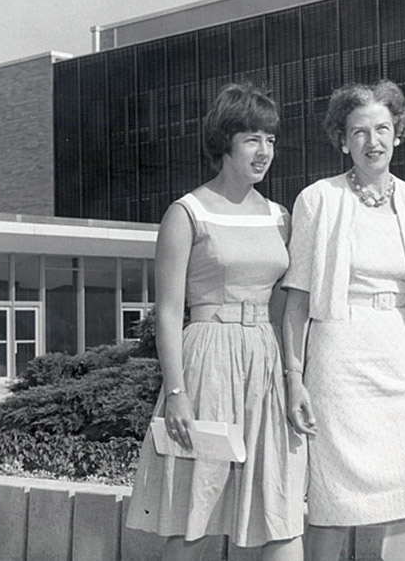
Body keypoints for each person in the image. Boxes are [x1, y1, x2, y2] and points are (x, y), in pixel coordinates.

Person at [126, 82, 306, 561]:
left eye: (270, 139)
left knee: (279, 511)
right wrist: (177, 393)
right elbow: (167, 310)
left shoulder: (279, 216)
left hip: (264, 364)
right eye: (252, 138)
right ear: (224, 143)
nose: (264, 150)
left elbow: (284, 305)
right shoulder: (188, 213)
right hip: (207, 361)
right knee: (195, 519)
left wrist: (292, 377)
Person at [282, 80, 405, 561]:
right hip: (343, 366)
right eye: (360, 132)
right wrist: (293, 380)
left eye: (382, 128)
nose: (373, 141)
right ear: (343, 139)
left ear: (398, 133)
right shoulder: (317, 200)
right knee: (336, 504)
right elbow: (296, 303)